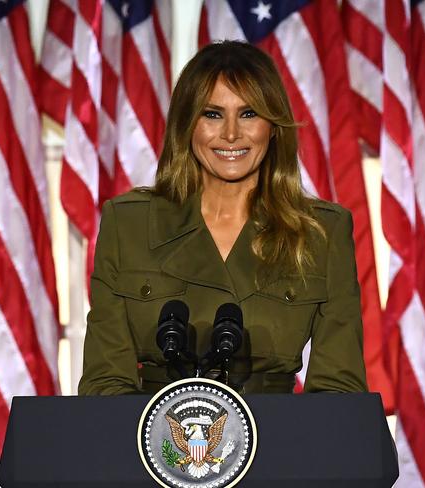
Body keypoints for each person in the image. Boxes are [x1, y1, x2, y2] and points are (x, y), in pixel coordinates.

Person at [78, 41, 367, 396]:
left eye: (249, 114)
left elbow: (338, 394)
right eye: (212, 114)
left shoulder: (322, 233)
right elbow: (104, 383)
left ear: (273, 126)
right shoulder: (128, 225)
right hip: (152, 442)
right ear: (187, 125)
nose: (231, 133)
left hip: (279, 443)